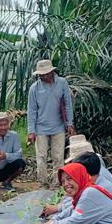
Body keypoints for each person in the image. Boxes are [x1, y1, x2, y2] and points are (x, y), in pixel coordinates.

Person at [26, 59, 75, 188]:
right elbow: (31, 110)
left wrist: (69, 123)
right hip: (40, 127)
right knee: (41, 156)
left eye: (45, 74)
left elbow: (67, 104)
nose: (43, 76)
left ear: (52, 72)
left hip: (58, 126)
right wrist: (31, 131)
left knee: (58, 157)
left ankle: (57, 183)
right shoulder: (34, 88)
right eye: (40, 75)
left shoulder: (62, 83)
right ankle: (43, 182)